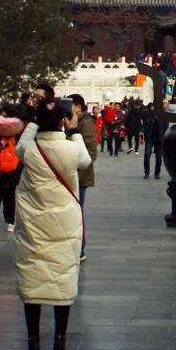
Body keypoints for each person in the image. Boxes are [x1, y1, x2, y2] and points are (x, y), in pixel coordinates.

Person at [14, 99, 89, 350]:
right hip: (65, 224)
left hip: (33, 224)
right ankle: (60, 340)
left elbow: (22, 143)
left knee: (33, 279)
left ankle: (33, 341)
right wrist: (75, 129)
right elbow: (86, 159)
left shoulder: (28, 149)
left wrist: (35, 121)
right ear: (62, 120)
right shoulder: (71, 149)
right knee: (62, 278)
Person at [67, 94, 97, 262]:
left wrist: (77, 167)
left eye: (71, 106)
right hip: (70, 174)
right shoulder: (72, 122)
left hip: (80, 176)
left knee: (77, 213)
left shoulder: (85, 123)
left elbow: (91, 152)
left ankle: (80, 249)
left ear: (78, 107)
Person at [141, 103, 163, 179]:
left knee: (159, 156)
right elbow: (144, 124)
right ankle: (146, 172)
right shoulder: (147, 113)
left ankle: (157, 173)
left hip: (159, 138)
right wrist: (142, 131)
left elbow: (165, 126)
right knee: (147, 154)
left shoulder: (163, 115)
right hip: (150, 137)